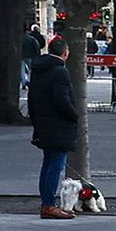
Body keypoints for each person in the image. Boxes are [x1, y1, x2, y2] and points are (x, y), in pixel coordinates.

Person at [29, 37, 82, 220]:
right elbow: (62, 99)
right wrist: (74, 115)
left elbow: (31, 98)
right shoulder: (60, 72)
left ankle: (47, 202)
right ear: (65, 53)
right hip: (59, 125)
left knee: (48, 164)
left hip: (43, 123)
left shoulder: (38, 70)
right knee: (56, 165)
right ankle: (49, 205)